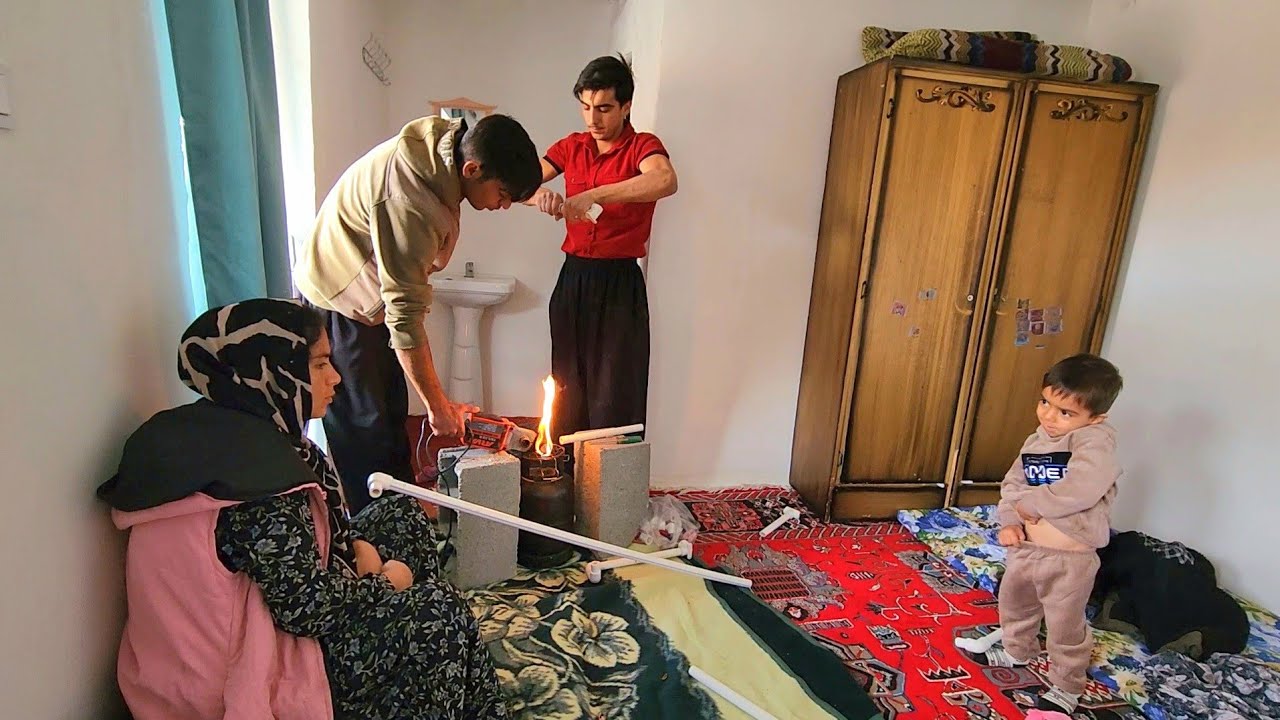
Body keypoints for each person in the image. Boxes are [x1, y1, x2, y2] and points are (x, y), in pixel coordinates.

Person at [99, 299, 508, 720]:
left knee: (399, 515)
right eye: (319, 365)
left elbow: (308, 552)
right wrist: (388, 583)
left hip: (262, 625)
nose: (336, 377)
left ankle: (424, 681)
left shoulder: (230, 427)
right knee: (438, 613)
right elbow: (306, 610)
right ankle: (425, 663)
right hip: (240, 676)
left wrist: (360, 555)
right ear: (273, 372)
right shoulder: (256, 480)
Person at [295, 114, 541, 511]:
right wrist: (438, 407)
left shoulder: (446, 148)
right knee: (366, 434)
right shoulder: (410, 202)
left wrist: (437, 402)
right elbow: (405, 318)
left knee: (391, 415)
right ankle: (373, 534)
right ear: (472, 170)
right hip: (339, 301)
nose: (504, 205)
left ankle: (402, 518)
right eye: (502, 194)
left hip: (370, 301)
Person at [527, 55, 678, 443]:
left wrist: (596, 194)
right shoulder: (571, 147)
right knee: (566, 388)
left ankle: (610, 478)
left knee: (615, 393)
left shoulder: (643, 147)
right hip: (573, 278)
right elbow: (516, 182)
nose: (592, 119)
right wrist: (538, 196)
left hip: (619, 283)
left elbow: (664, 181)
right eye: (585, 107)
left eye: (604, 108)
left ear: (626, 106)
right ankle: (564, 472)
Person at [987, 354, 1124, 714]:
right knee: (1015, 604)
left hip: (1069, 560)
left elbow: (1083, 487)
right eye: (1045, 403)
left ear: (1095, 417)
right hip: (1027, 550)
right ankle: (1018, 650)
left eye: (1065, 412)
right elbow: (1013, 485)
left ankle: (1067, 683)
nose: (1049, 416)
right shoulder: (1037, 441)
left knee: (1065, 626)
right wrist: (1009, 521)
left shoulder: (1093, 442)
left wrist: (1036, 504)